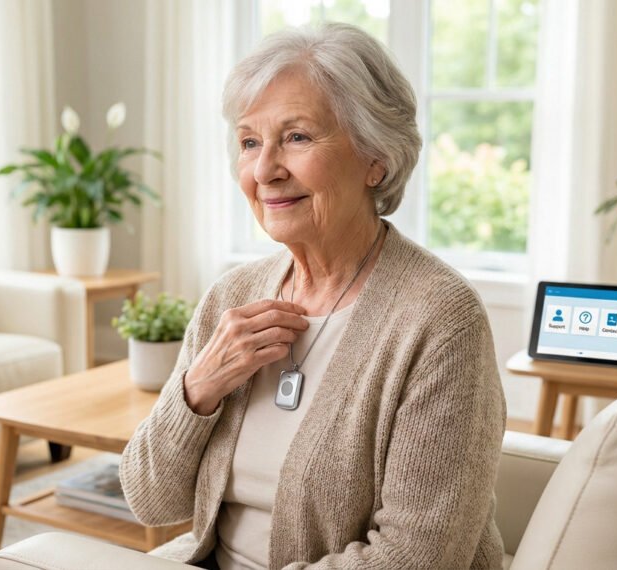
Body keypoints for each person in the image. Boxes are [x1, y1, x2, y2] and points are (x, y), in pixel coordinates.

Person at [120, 22, 505, 570]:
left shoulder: (441, 319)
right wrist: (198, 388)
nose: (264, 171)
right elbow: (151, 501)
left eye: (297, 137)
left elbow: (419, 556)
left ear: (378, 159)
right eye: (250, 142)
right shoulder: (232, 295)